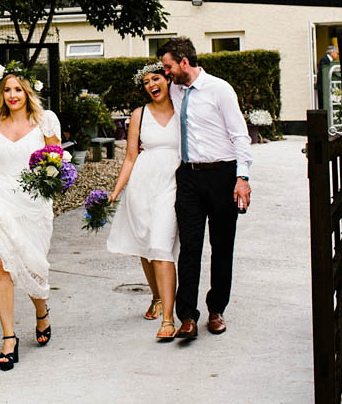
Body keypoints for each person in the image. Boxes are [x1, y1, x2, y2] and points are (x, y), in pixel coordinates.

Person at [0, 68, 61, 370]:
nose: (12, 95)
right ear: (0, 94)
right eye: (7, 90)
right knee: (1, 266)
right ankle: (9, 338)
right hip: (0, 200)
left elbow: (57, 164)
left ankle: (41, 313)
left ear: (28, 92)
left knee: (33, 267)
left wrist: (51, 184)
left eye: (18, 89)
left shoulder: (45, 121)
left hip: (34, 206)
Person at [157, 37, 252, 340]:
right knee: (190, 247)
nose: (166, 72)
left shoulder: (220, 90)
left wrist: (243, 178)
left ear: (184, 62)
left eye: (168, 66)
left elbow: (240, 136)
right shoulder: (174, 89)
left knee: (222, 246)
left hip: (222, 175)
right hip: (188, 177)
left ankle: (216, 309)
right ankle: (187, 316)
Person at [106, 62, 180, 341]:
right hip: (142, 183)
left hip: (172, 183)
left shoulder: (182, 109)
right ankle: (157, 296)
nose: (152, 85)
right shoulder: (139, 114)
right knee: (145, 245)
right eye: (147, 82)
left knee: (161, 244)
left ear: (167, 79)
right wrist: (116, 191)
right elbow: (130, 157)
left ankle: (169, 318)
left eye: (156, 78)